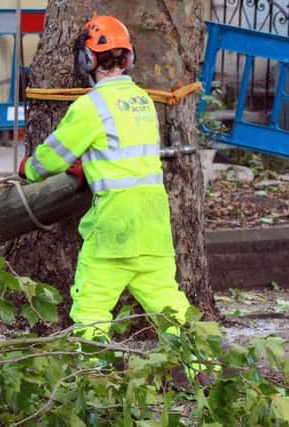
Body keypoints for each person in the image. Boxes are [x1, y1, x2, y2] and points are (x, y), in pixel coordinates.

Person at [18, 15, 191, 341]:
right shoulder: (143, 102)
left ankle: (94, 381)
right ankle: (206, 370)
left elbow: (50, 159)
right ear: (128, 58)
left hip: (113, 227)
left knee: (91, 311)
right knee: (171, 308)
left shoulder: (90, 107)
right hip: (153, 226)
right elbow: (127, 156)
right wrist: (94, 164)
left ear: (86, 60)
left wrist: (28, 169)